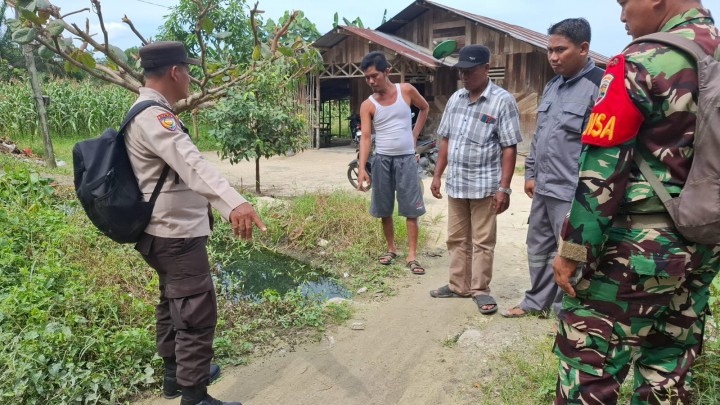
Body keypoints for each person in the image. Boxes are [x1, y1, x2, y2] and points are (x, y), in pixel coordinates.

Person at [551, 1, 720, 403]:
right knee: (668, 367)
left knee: (588, 367)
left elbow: (601, 173)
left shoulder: (641, 62)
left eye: (625, 3)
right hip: (705, 241)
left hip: (636, 253)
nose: (622, 16)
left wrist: (573, 252)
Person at [126, 41, 266, 405]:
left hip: (160, 232)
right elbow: (191, 163)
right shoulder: (155, 115)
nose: (190, 77)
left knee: (174, 303)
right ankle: (195, 395)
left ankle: (176, 377)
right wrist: (235, 203)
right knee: (195, 311)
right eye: (187, 71)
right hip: (175, 234)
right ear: (175, 72)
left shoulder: (144, 109)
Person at [501, 18, 604, 319]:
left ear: (584, 48)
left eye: (561, 50)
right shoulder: (553, 85)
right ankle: (536, 302)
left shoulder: (598, 85)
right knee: (538, 245)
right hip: (544, 185)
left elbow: (598, 149)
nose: (554, 57)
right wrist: (530, 173)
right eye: (550, 51)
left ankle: (566, 309)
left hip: (573, 190)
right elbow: (541, 135)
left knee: (572, 252)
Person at [429, 45, 522, 315]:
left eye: (470, 71)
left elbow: (509, 147)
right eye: (461, 72)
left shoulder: (502, 101)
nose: (465, 77)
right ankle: (458, 285)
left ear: (485, 68)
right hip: (457, 184)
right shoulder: (456, 99)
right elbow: (445, 139)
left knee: (482, 241)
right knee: (456, 238)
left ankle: (480, 290)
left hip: (485, 186)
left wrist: (504, 188)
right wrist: (437, 174)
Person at [356, 51, 430, 275]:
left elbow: (424, 107)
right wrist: (362, 168)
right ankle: (391, 249)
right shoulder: (367, 105)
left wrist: (415, 134)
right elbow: (366, 137)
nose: (370, 81)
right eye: (366, 77)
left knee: (411, 209)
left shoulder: (405, 91)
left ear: (387, 72)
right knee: (384, 208)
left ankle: (412, 256)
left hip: (407, 159)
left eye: (374, 76)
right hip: (382, 161)